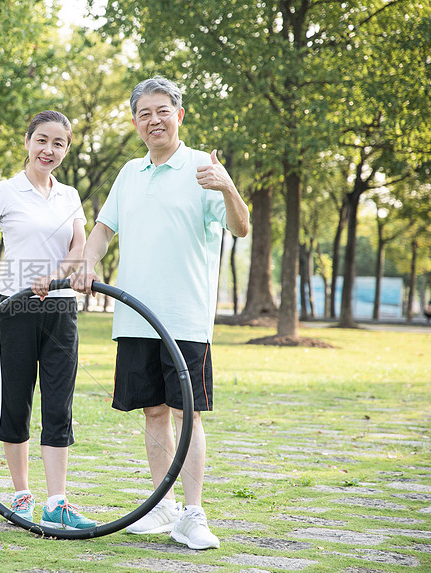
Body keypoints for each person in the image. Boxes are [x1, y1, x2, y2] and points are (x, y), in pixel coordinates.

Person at [71, 76, 250, 549]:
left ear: (179, 115)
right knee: (153, 412)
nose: (154, 120)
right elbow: (103, 229)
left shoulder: (202, 168)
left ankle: (193, 514)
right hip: (135, 317)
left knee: (186, 413)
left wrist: (229, 187)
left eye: (162, 110)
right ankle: (162, 507)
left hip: (184, 317)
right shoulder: (129, 173)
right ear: (135, 122)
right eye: (144, 113)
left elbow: (241, 226)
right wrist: (87, 263)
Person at [0, 111, 94, 530]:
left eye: (58, 144)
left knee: (59, 404)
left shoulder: (69, 195)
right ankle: (21, 496)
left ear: (66, 149)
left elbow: (80, 246)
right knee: (16, 401)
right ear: (28, 142)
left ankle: (57, 501)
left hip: (60, 307)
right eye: (42, 141)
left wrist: (55, 278)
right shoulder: (5, 191)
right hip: (14, 309)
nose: (48, 150)